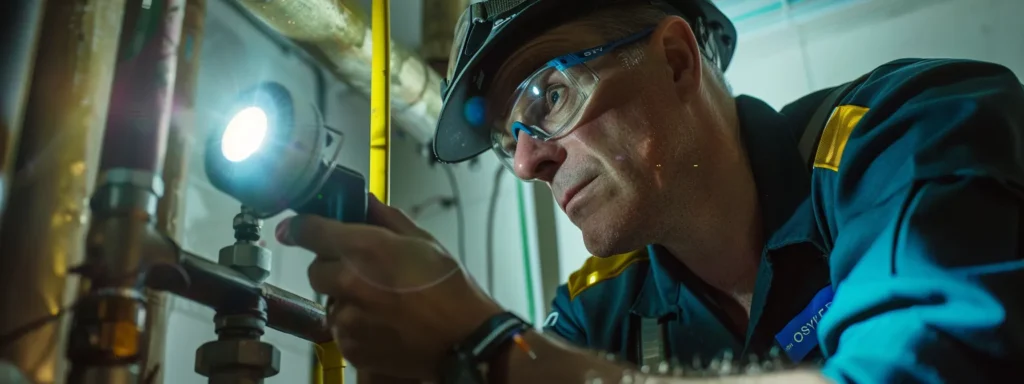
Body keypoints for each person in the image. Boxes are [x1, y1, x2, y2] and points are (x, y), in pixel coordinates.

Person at [276, 0, 1024, 382]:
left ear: (673, 59)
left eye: (546, 99)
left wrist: (496, 352)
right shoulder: (599, 308)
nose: (528, 162)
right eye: (510, 139)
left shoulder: (903, 134)